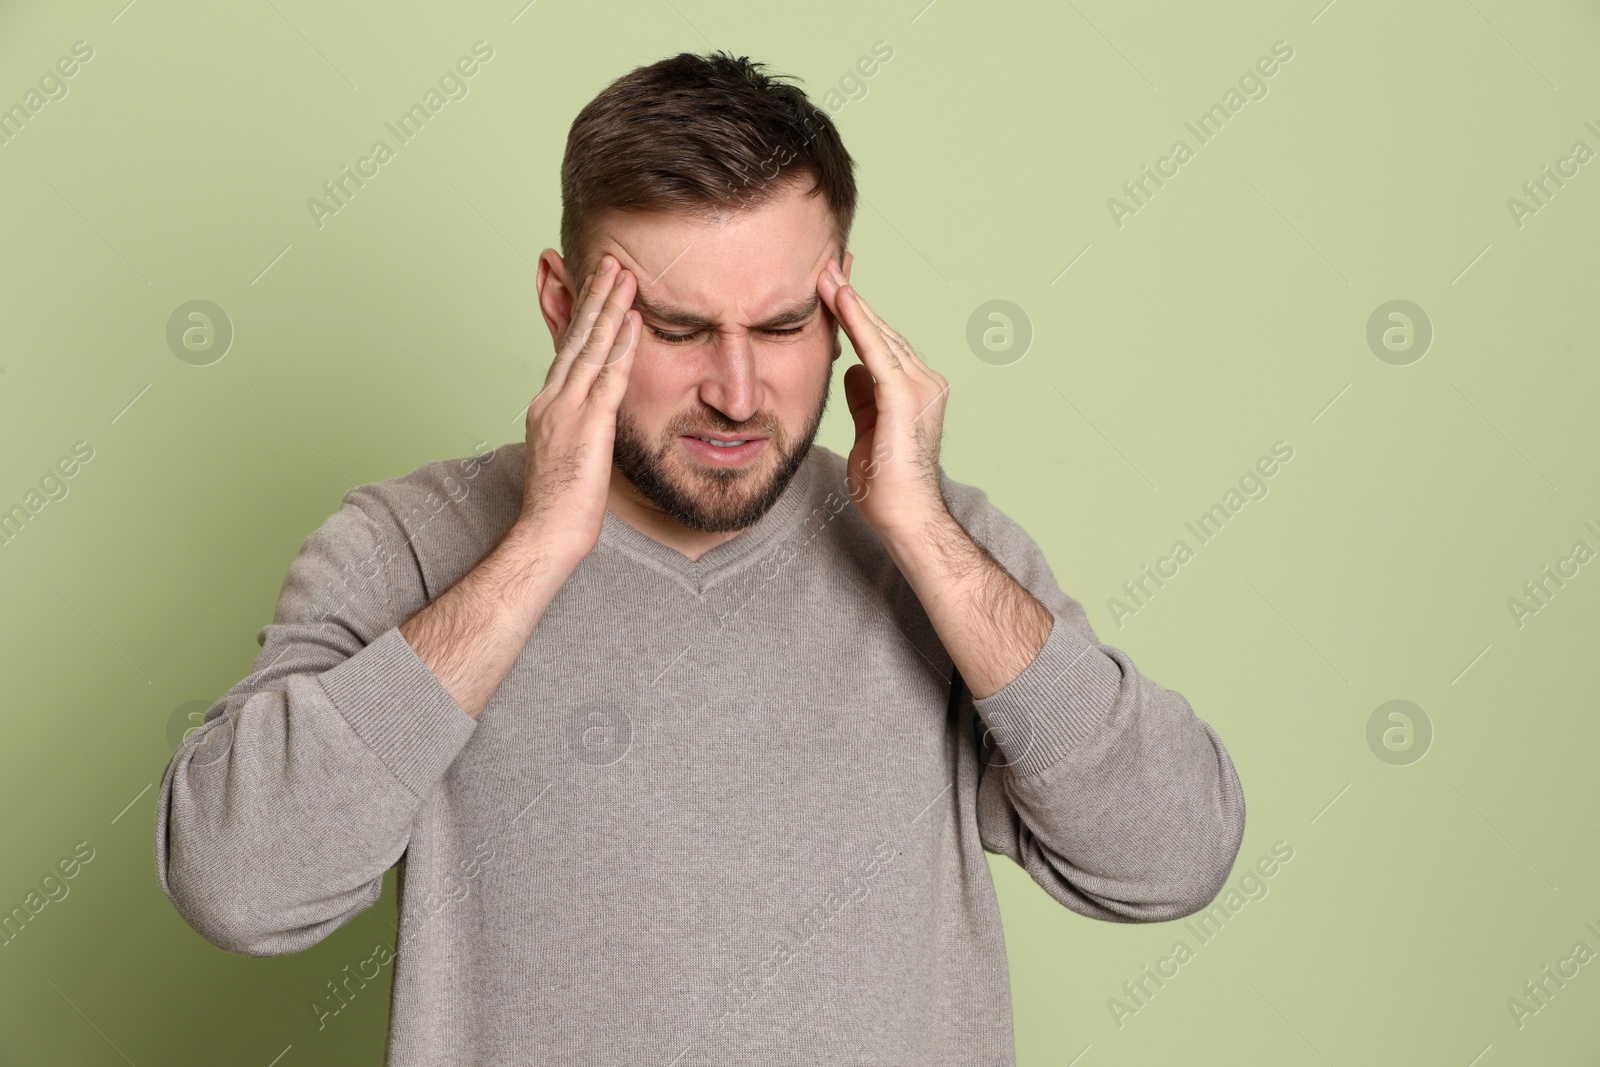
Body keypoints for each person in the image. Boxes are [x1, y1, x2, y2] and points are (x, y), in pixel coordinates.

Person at [154, 50, 1245, 1066]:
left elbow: (1168, 856)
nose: (735, 390)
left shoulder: (944, 553)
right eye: (676, 329)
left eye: (780, 328)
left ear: (844, 305)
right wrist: (538, 547)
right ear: (564, 305)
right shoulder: (405, 541)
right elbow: (240, 884)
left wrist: (920, 536)